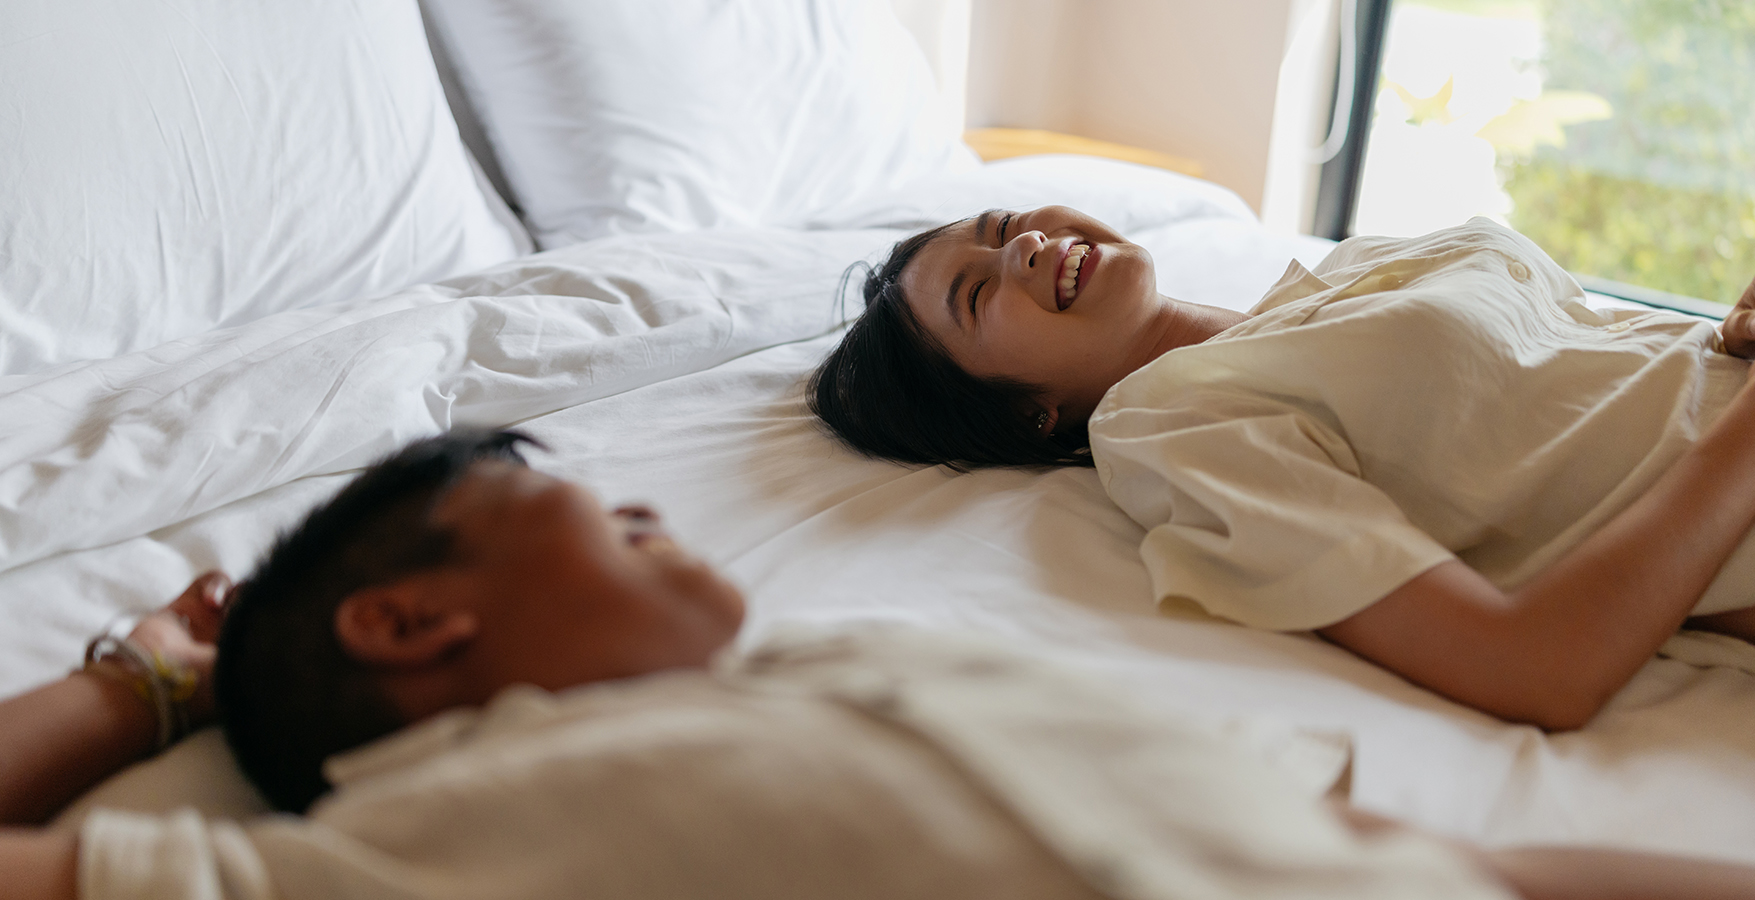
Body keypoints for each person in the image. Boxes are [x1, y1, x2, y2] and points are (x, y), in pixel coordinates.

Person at [3, 431, 1755, 900]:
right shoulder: (423, 832)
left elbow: (1448, 864)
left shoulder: (877, 665)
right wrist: (142, 684)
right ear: (407, 624)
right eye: (552, 498)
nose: (627, 495)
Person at [810, 207, 1755, 731]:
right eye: (977, 293)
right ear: (1026, 413)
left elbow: (1586, 387)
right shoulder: (1170, 422)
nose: (1018, 243)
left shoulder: (1338, 275)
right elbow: (1535, 668)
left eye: (1002, 222)